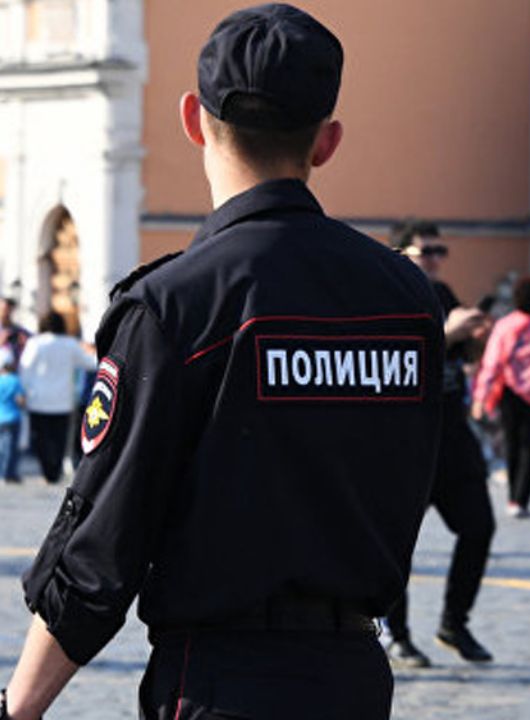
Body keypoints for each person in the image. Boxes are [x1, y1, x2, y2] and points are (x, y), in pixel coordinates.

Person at [1, 6, 445, 719]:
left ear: (192, 119)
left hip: (218, 680)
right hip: (355, 678)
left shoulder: (175, 306)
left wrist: (18, 705)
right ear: (327, 142)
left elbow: (102, 542)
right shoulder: (407, 299)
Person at [381, 220, 497, 667]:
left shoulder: (443, 293)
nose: (434, 258)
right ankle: (398, 634)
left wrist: (473, 341)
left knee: (479, 527)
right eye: (425, 250)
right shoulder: (387, 294)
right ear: (400, 253)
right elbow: (394, 356)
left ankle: (454, 622)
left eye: (439, 251)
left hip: (452, 434)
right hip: (403, 443)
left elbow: (457, 358)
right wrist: (448, 335)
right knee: (396, 545)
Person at [472, 276, 530, 518]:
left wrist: (480, 397)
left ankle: (512, 496)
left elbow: (491, 364)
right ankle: (522, 500)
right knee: (529, 448)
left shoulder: (503, 326)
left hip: (509, 393)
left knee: (511, 444)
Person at [17, 312, 97, 484]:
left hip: (38, 399)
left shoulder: (35, 344)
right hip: (63, 401)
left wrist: (23, 390)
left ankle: (47, 471)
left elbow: (25, 369)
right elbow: (90, 363)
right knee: (59, 438)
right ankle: (55, 472)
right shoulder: (70, 344)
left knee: (40, 437)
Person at [0, 348, 25, 484]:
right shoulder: (15, 380)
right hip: (12, 417)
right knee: (10, 448)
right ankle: (8, 474)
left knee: (1, 447)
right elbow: (21, 400)